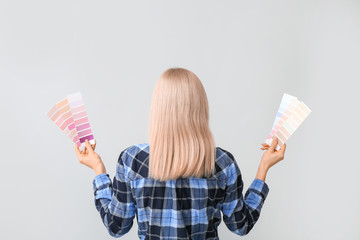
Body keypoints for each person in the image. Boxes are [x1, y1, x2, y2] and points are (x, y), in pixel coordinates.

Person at [74, 68, 286, 239]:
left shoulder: (132, 160)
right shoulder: (222, 162)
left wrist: (99, 172)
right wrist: (263, 168)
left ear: (157, 108)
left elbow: (117, 226)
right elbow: (241, 225)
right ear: (201, 108)